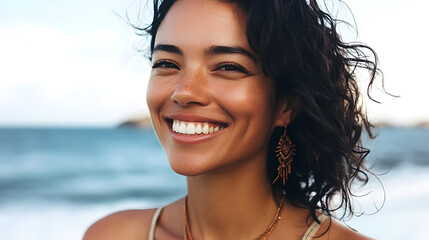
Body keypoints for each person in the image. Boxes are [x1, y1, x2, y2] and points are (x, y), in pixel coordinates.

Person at [84, 0, 381, 239]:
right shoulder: (110, 235)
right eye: (166, 63)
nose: (184, 92)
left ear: (287, 104)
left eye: (227, 66)